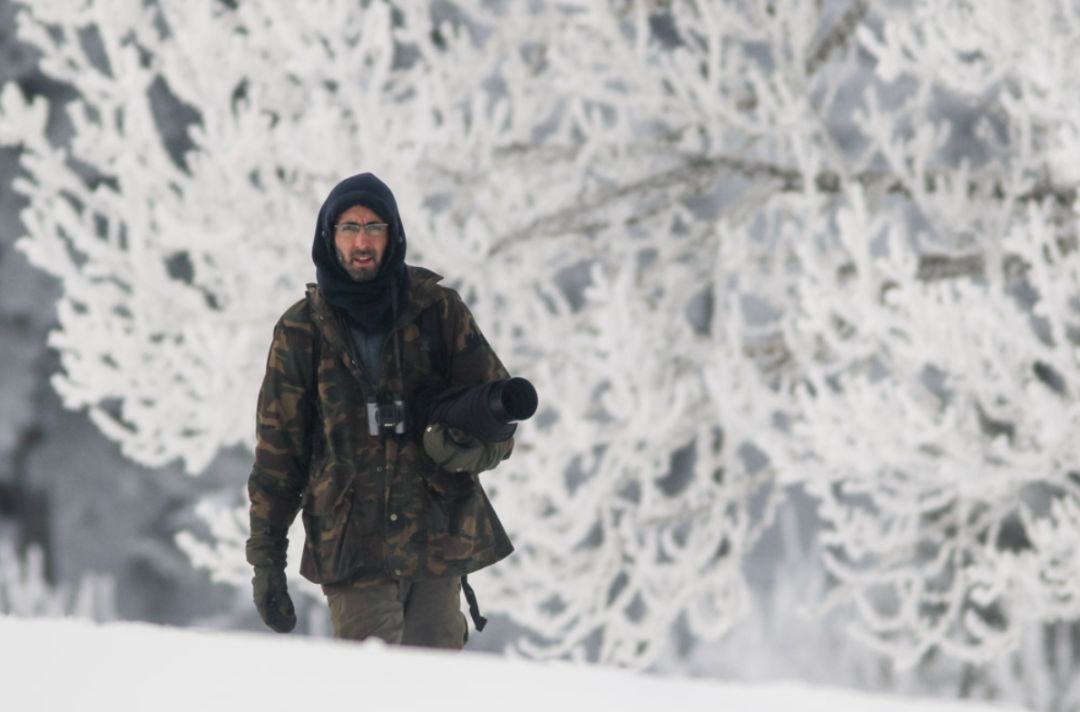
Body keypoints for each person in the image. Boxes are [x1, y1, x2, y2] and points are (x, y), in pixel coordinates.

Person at [245, 172, 515, 649]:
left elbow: (500, 422)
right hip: (351, 545)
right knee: (372, 679)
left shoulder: (439, 312)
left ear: (394, 234)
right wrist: (267, 561)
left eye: (374, 227)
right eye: (349, 228)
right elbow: (278, 456)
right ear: (329, 237)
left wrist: (461, 450)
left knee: (436, 681)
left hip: (437, 537)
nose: (362, 242)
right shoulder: (301, 331)